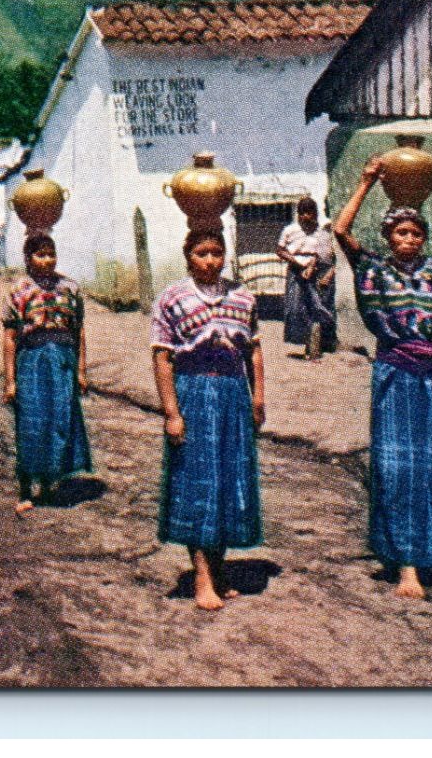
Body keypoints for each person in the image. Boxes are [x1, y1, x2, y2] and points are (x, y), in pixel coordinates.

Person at [332, 155, 432, 600]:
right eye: (401, 232)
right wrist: (365, 183)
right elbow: (340, 232)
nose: (409, 240)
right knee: (399, 468)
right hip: (396, 377)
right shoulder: (374, 271)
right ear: (388, 236)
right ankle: (407, 567)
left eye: (416, 233)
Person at [150, 229, 265, 611]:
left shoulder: (243, 297)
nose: (211, 260)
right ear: (188, 256)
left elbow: (254, 351)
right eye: (202, 253)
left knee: (230, 480)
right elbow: (163, 359)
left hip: (233, 395)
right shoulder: (172, 298)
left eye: (217, 252)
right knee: (197, 480)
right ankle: (201, 576)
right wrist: (171, 412)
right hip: (193, 394)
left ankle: (218, 569)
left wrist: (258, 398)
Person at [1, 234, 91, 512]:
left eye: (51, 253)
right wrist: (10, 380)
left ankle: (52, 483)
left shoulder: (70, 289)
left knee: (60, 420)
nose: (47, 259)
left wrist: (81, 370)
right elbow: (9, 337)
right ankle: (27, 489)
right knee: (31, 422)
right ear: (28, 258)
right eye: (40, 254)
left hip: (63, 360)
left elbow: (79, 332)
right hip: (31, 362)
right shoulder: (19, 290)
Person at [276, 196, 338, 358]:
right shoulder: (290, 230)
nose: (306, 217)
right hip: (296, 271)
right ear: (298, 214)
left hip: (317, 271)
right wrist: (296, 262)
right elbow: (280, 250)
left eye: (309, 213)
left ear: (315, 214)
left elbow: (326, 255)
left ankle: (314, 348)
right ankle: (304, 342)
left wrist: (314, 267)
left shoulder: (322, 232)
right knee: (296, 308)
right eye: (302, 213)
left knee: (317, 307)